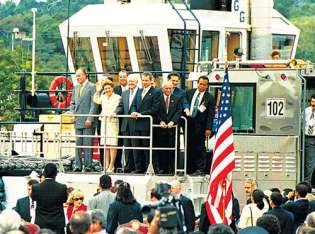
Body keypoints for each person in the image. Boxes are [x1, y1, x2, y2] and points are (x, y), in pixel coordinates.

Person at [184, 75, 215, 175]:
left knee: (200, 148)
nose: (202, 86)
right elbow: (184, 104)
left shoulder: (209, 98)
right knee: (189, 147)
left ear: (207, 86)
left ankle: (200, 169)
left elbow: (211, 114)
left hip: (201, 127)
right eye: (200, 84)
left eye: (204, 85)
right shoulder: (189, 93)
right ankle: (189, 169)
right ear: (197, 83)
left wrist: (208, 128)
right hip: (189, 124)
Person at [131, 72, 160, 173]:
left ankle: (149, 168)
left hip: (147, 124)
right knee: (137, 147)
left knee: (147, 148)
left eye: (146, 80)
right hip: (136, 123)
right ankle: (139, 169)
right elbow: (134, 103)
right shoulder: (139, 91)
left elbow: (155, 108)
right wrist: (133, 112)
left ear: (151, 81)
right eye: (143, 80)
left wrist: (142, 114)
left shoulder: (156, 92)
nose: (144, 82)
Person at [70, 67, 98, 172]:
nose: (77, 77)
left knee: (87, 144)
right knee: (78, 144)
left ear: (85, 75)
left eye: (79, 75)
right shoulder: (76, 88)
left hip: (87, 121)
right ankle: (77, 166)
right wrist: (72, 114)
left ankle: (88, 166)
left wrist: (90, 118)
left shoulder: (92, 87)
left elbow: (94, 104)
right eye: (76, 75)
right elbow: (72, 103)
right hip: (77, 120)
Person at [31, 163, 68, 234]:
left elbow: (34, 198)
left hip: (41, 225)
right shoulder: (62, 187)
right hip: (57, 225)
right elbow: (64, 200)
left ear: (44, 174)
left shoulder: (36, 187)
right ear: (56, 174)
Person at [94, 79, 121, 173]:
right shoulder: (103, 96)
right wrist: (97, 90)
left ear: (112, 88)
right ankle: (106, 165)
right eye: (105, 88)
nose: (107, 90)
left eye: (109, 88)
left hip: (113, 121)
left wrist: (113, 113)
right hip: (104, 121)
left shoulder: (117, 97)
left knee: (113, 144)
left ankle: (111, 165)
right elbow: (96, 100)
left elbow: (118, 108)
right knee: (106, 144)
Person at [154, 81, 181, 174]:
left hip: (172, 129)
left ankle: (172, 169)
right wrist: (160, 121)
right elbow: (156, 111)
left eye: (170, 88)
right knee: (161, 150)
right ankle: (162, 169)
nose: (169, 90)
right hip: (161, 130)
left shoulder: (177, 99)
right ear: (162, 89)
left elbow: (178, 111)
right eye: (167, 88)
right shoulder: (158, 98)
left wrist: (173, 121)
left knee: (173, 151)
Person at [115, 74, 140, 173]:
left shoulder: (140, 92)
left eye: (133, 82)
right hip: (125, 124)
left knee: (135, 147)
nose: (131, 83)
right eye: (129, 82)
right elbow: (121, 106)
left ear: (137, 82)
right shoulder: (124, 93)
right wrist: (115, 112)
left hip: (136, 124)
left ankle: (137, 168)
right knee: (127, 147)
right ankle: (128, 167)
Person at [113, 70, 129, 172]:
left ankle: (128, 166)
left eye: (124, 77)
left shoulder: (132, 89)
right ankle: (118, 165)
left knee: (128, 145)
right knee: (117, 144)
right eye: (120, 77)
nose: (122, 78)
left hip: (128, 121)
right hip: (117, 121)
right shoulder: (115, 89)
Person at [304, 95, 315, 182]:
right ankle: (307, 184)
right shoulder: (306, 111)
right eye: (312, 102)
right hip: (309, 138)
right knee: (309, 163)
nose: (313, 104)